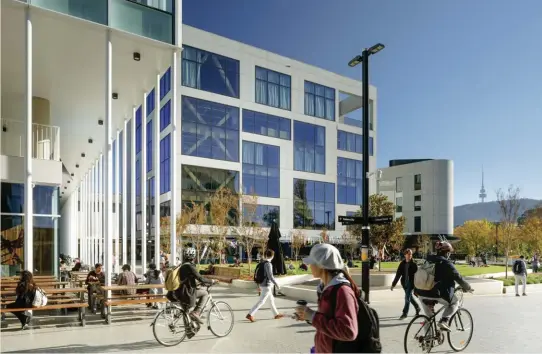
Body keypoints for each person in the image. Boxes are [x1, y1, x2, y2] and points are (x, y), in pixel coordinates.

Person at [293, 244, 359, 353]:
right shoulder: (325, 288)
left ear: (321, 265)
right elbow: (327, 320)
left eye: (311, 263)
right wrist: (308, 317)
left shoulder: (342, 291)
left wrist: (313, 316)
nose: (309, 266)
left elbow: (348, 331)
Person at [415, 241, 472, 332]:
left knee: (429, 317)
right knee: (455, 302)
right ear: (447, 253)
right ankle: (444, 321)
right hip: (435, 293)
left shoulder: (428, 261)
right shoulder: (446, 263)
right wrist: (468, 287)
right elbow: (458, 277)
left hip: (421, 293)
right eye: (449, 252)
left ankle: (427, 342)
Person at [176, 247, 215, 324]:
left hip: (180, 292)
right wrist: (211, 281)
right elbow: (200, 278)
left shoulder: (182, 266)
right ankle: (196, 312)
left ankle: (189, 330)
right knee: (205, 293)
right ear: (193, 256)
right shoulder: (190, 266)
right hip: (187, 292)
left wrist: (196, 283)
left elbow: (187, 279)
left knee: (186, 312)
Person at [246, 249, 284, 322]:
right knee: (262, 301)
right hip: (266, 285)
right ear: (272, 256)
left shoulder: (262, 262)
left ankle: (276, 314)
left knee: (271, 300)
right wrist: (277, 284)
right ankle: (250, 314)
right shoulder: (268, 264)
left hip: (262, 284)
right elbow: (270, 276)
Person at [391, 249, 421, 319]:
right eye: (408, 254)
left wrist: (416, 288)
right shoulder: (402, 264)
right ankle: (417, 307)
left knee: (407, 297)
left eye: (411, 254)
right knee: (409, 297)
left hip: (411, 283)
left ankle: (405, 313)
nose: (410, 255)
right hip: (404, 283)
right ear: (405, 255)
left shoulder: (414, 264)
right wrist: (393, 284)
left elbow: (417, 276)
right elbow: (398, 274)